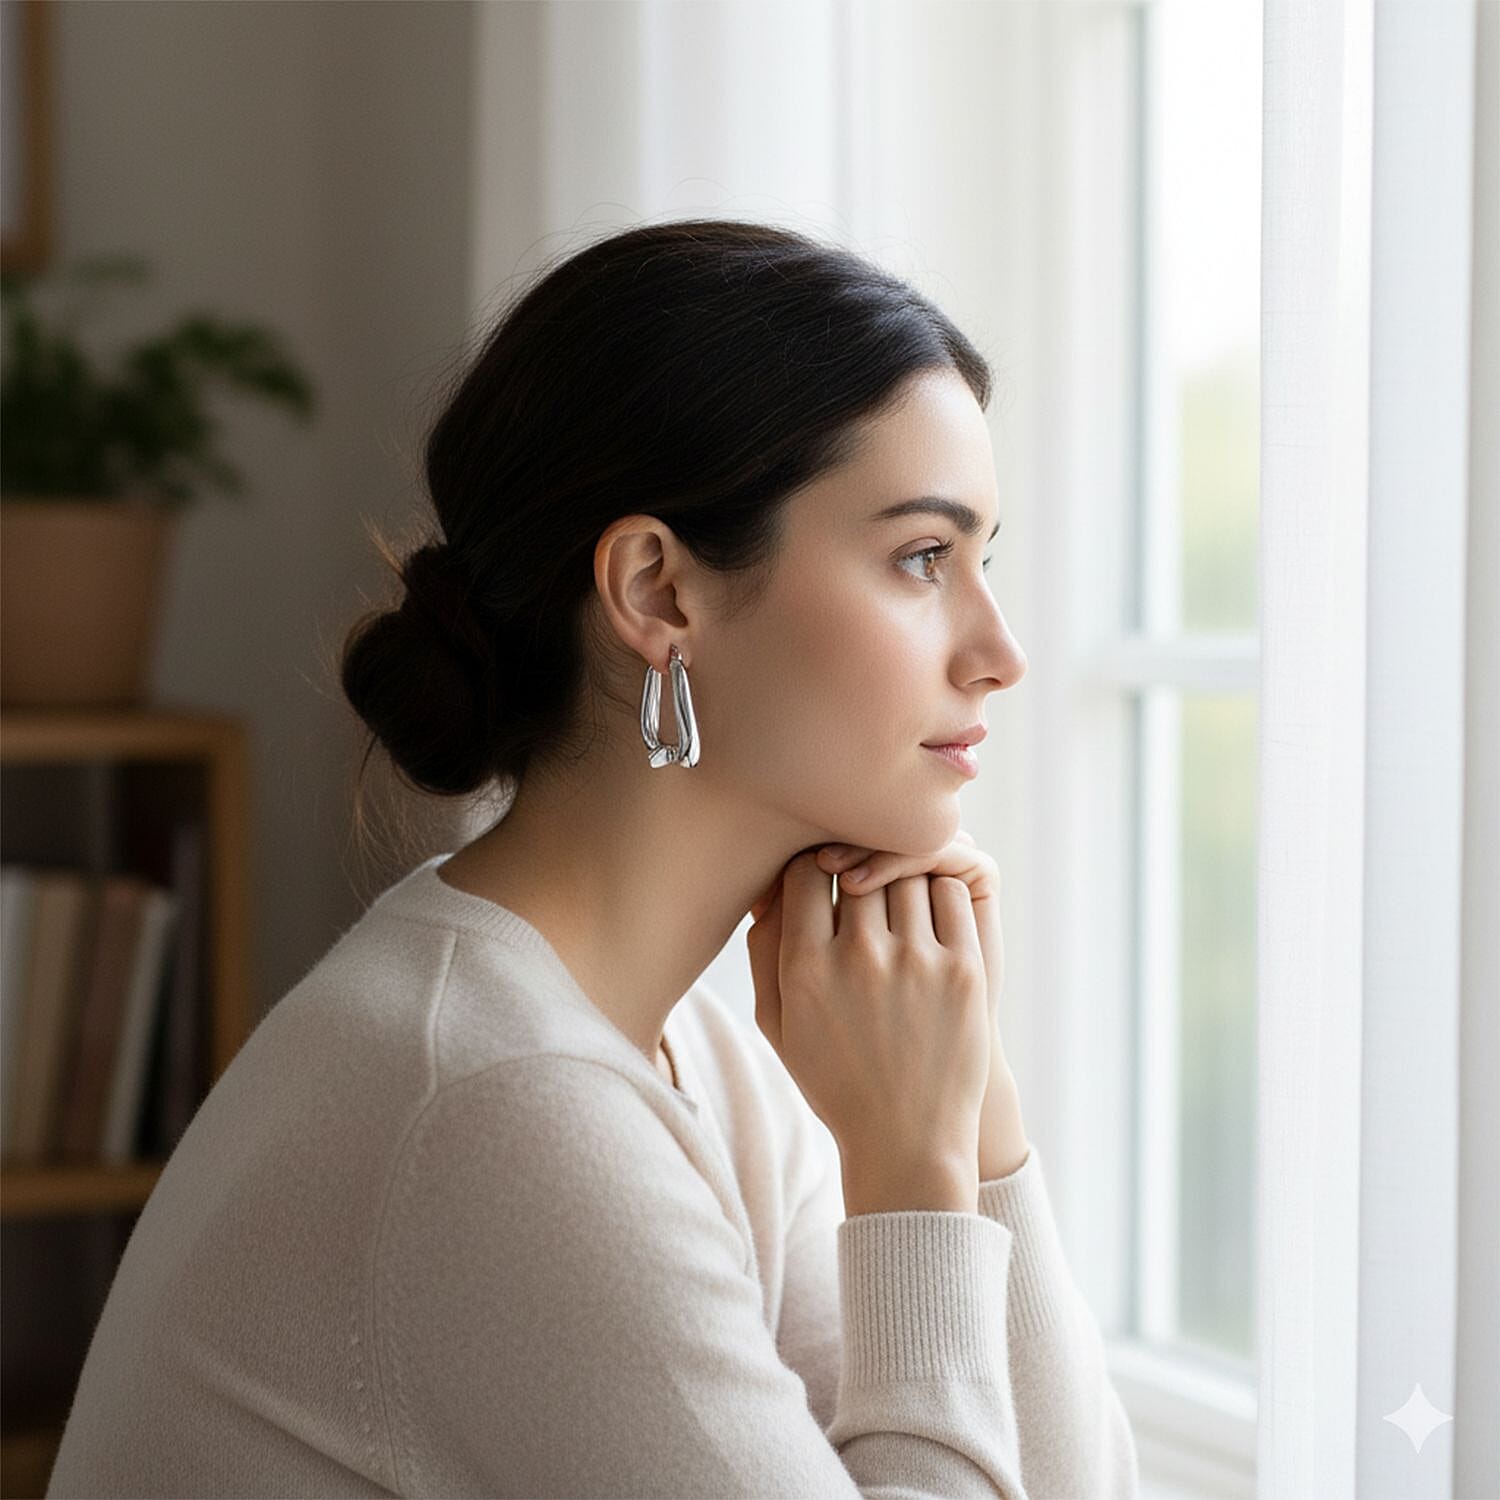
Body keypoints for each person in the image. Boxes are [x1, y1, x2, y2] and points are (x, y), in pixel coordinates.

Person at [46, 217, 1139, 1498]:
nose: (1000, 649)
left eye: (982, 561)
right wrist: (911, 1181)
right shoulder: (498, 1107)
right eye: (921, 558)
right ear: (659, 592)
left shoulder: (701, 1059)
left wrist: (974, 1118)